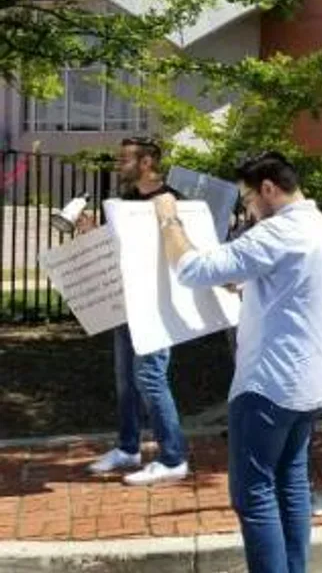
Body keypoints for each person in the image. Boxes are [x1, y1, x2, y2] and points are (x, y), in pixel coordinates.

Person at [154, 152, 322, 572]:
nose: (247, 209)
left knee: (253, 492)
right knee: (291, 483)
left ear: (268, 189)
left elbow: (191, 268)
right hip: (309, 382)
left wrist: (169, 218)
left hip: (267, 385)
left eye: (247, 199)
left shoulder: (276, 232)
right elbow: (289, 289)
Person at [85, 137, 190, 486]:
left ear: (146, 163)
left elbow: (182, 250)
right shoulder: (123, 202)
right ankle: (128, 448)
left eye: (125, 158)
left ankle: (173, 457)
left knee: (151, 378)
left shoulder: (172, 200)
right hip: (126, 300)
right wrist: (93, 234)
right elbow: (118, 249)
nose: (119, 163)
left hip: (156, 305)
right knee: (125, 381)